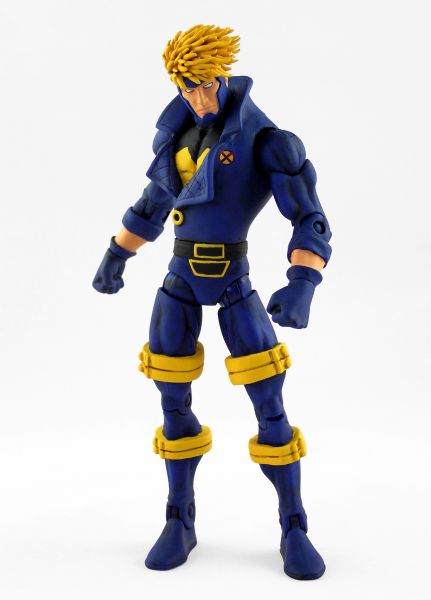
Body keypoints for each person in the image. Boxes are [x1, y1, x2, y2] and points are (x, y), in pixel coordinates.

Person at [92, 24, 332, 580]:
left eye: (207, 85)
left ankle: (293, 523)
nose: (199, 99)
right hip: (178, 280)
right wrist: (116, 254)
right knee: (172, 401)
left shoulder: (267, 141)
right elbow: (152, 205)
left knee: (268, 402)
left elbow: (309, 218)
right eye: (187, 88)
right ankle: (179, 517)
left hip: (233, 281)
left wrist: (302, 283)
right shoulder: (176, 136)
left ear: (224, 76)